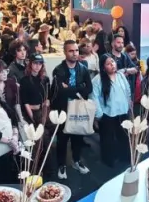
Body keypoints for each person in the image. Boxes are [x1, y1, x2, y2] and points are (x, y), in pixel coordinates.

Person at [51, 40, 93, 180]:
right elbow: (60, 92)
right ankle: (61, 164)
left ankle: (76, 161)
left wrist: (69, 88)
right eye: (71, 51)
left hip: (79, 108)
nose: (75, 53)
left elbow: (89, 89)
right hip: (63, 109)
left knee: (78, 137)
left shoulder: (83, 68)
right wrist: (79, 87)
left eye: (76, 50)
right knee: (62, 139)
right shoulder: (58, 70)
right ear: (65, 52)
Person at [92, 57, 132, 169]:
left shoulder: (120, 75)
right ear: (104, 67)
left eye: (113, 62)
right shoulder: (98, 79)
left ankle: (124, 157)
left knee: (124, 136)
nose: (112, 65)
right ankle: (108, 160)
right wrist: (99, 114)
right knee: (107, 139)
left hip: (123, 111)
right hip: (107, 113)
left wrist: (129, 104)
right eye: (108, 64)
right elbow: (94, 97)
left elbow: (127, 90)